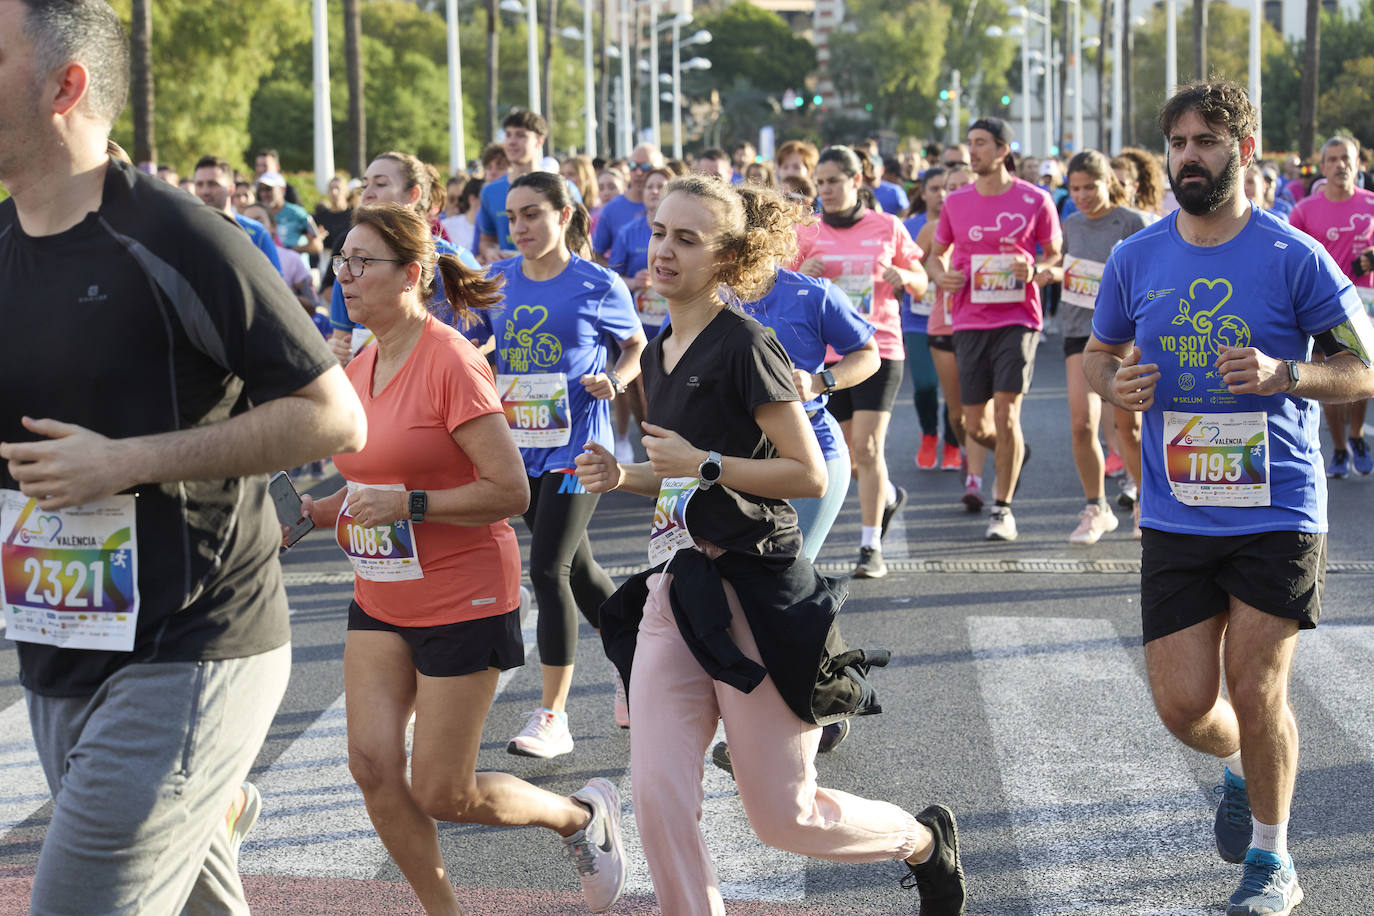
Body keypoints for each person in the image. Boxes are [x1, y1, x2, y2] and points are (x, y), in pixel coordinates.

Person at [0, 2, 367, 912]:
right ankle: (207, 799)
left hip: (191, 646)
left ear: (65, 85)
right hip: (60, 637)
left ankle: (204, 776)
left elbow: (333, 417)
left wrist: (128, 461)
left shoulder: (178, 238)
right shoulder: (5, 246)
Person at [572, 174, 966, 916]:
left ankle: (919, 840)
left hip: (756, 594)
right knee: (657, 797)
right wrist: (623, 475)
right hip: (676, 589)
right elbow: (685, 485)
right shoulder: (660, 349)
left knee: (785, 818)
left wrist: (703, 463)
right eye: (659, 232)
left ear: (729, 256)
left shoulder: (747, 345)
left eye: (687, 239)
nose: (664, 249)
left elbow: (807, 474)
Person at [1084, 79, 1374, 916]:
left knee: (1258, 686)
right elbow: (1101, 355)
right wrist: (1120, 382)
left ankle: (1273, 862)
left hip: (1277, 504)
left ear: (1243, 153)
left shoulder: (1291, 255)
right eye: (1176, 143)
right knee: (1184, 707)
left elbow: (1362, 365)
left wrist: (1291, 374)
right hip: (1175, 507)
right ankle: (1245, 765)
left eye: (1205, 142)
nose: (1188, 157)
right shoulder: (1138, 256)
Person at [298, 202, 626, 914]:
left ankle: (580, 817)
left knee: (443, 791)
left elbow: (509, 491)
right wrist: (313, 513)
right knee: (372, 768)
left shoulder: (451, 360)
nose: (344, 276)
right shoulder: (362, 364)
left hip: (462, 595)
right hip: (383, 594)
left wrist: (413, 505)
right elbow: (368, 486)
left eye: (362, 263)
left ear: (411, 275)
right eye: (341, 261)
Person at [477, 171, 647, 750]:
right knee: (578, 570)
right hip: (518, 447)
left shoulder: (597, 284)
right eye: (513, 217)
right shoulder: (497, 279)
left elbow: (635, 347)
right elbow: (471, 340)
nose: (520, 227)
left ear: (564, 214)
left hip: (581, 448)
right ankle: (638, 662)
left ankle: (553, 717)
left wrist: (615, 380)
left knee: (547, 570)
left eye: (532, 214)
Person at [794, 146, 927, 578]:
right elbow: (779, 286)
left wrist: (905, 278)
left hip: (879, 348)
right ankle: (886, 494)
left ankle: (871, 546)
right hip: (826, 355)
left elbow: (922, 283)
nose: (826, 189)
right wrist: (804, 272)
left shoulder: (888, 226)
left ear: (857, 181)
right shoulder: (807, 232)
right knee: (850, 456)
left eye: (834, 180)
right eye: (821, 181)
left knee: (868, 448)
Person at [926, 117, 1062, 541]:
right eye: (970, 143)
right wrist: (940, 275)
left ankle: (1002, 508)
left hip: (1018, 318)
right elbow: (935, 256)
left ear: (1003, 150)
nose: (973, 151)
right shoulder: (956, 202)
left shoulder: (1035, 199)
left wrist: (1037, 268)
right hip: (967, 319)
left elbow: (1056, 258)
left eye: (981, 143)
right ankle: (1012, 454)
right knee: (972, 425)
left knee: (1007, 413)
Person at [1035, 150, 1149, 543]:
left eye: (1090, 187)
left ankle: (1144, 503)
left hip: (1125, 334)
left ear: (1108, 184)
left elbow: (1149, 274)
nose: (1082, 195)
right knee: (1082, 424)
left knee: (1128, 427)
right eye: (1075, 188)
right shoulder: (1072, 223)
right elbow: (1062, 265)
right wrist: (1047, 273)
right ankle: (1095, 507)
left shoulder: (1131, 221)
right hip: (1079, 331)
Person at [327, 151, 481, 362]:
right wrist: (335, 352)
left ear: (413, 195)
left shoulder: (454, 259)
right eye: (364, 186)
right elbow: (341, 340)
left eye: (380, 184)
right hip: (367, 390)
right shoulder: (351, 265)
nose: (367, 194)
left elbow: (483, 344)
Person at [1288, 136, 1374, 479]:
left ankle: (1356, 435)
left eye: (1346, 159)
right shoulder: (1305, 210)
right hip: (1322, 305)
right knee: (1331, 371)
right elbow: (1289, 255)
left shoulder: (1372, 204)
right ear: (1322, 167)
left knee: (1362, 368)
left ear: (1359, 164)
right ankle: (1339, 447)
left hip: (1365, 301)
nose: (1340, 165)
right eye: (1333, 159)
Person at [607, 165, 674, 460]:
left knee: (665, 396)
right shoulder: (628, 232)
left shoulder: (682, 232)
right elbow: (611, 277)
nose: (655, 191)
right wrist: (634, 282)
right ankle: (652, 452)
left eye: (661, 186)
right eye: (650, 186)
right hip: (637, 325)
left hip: (671, 325)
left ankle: (664, 457)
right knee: (637, 394)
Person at [902, 166, 963, 472]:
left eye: (948, 188)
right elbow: (904, 266)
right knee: (925, 385)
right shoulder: (913, 227)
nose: (942, 195)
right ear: (923, 193)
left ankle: (953, 442)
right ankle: (929, 435)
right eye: (935, 189)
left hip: (957, 317)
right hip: (918, 316)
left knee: (958, 387)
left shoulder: (969, 222)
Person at [477, 109, 551, 262]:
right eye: (508, 135)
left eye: (521, 135)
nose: (511, 141)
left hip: (552, 277)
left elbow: (579, 243)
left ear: (540, 141)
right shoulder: (490, 191)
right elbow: (487, 240)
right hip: (509, 277)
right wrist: (490, 251)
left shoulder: (562, 188)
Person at [192, 154, 283, 275]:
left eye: (213, 184)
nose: (205, 191)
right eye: (199, 184)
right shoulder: (186, 230)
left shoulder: (256, 233)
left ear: (231, 189)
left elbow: (276, 284)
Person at [591, 143, 664, 261]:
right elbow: (596, 254)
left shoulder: (673, 207)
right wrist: (620, 277)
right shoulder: (611, 209)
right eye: (633, 166)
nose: (638, 172)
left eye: (645, 167)